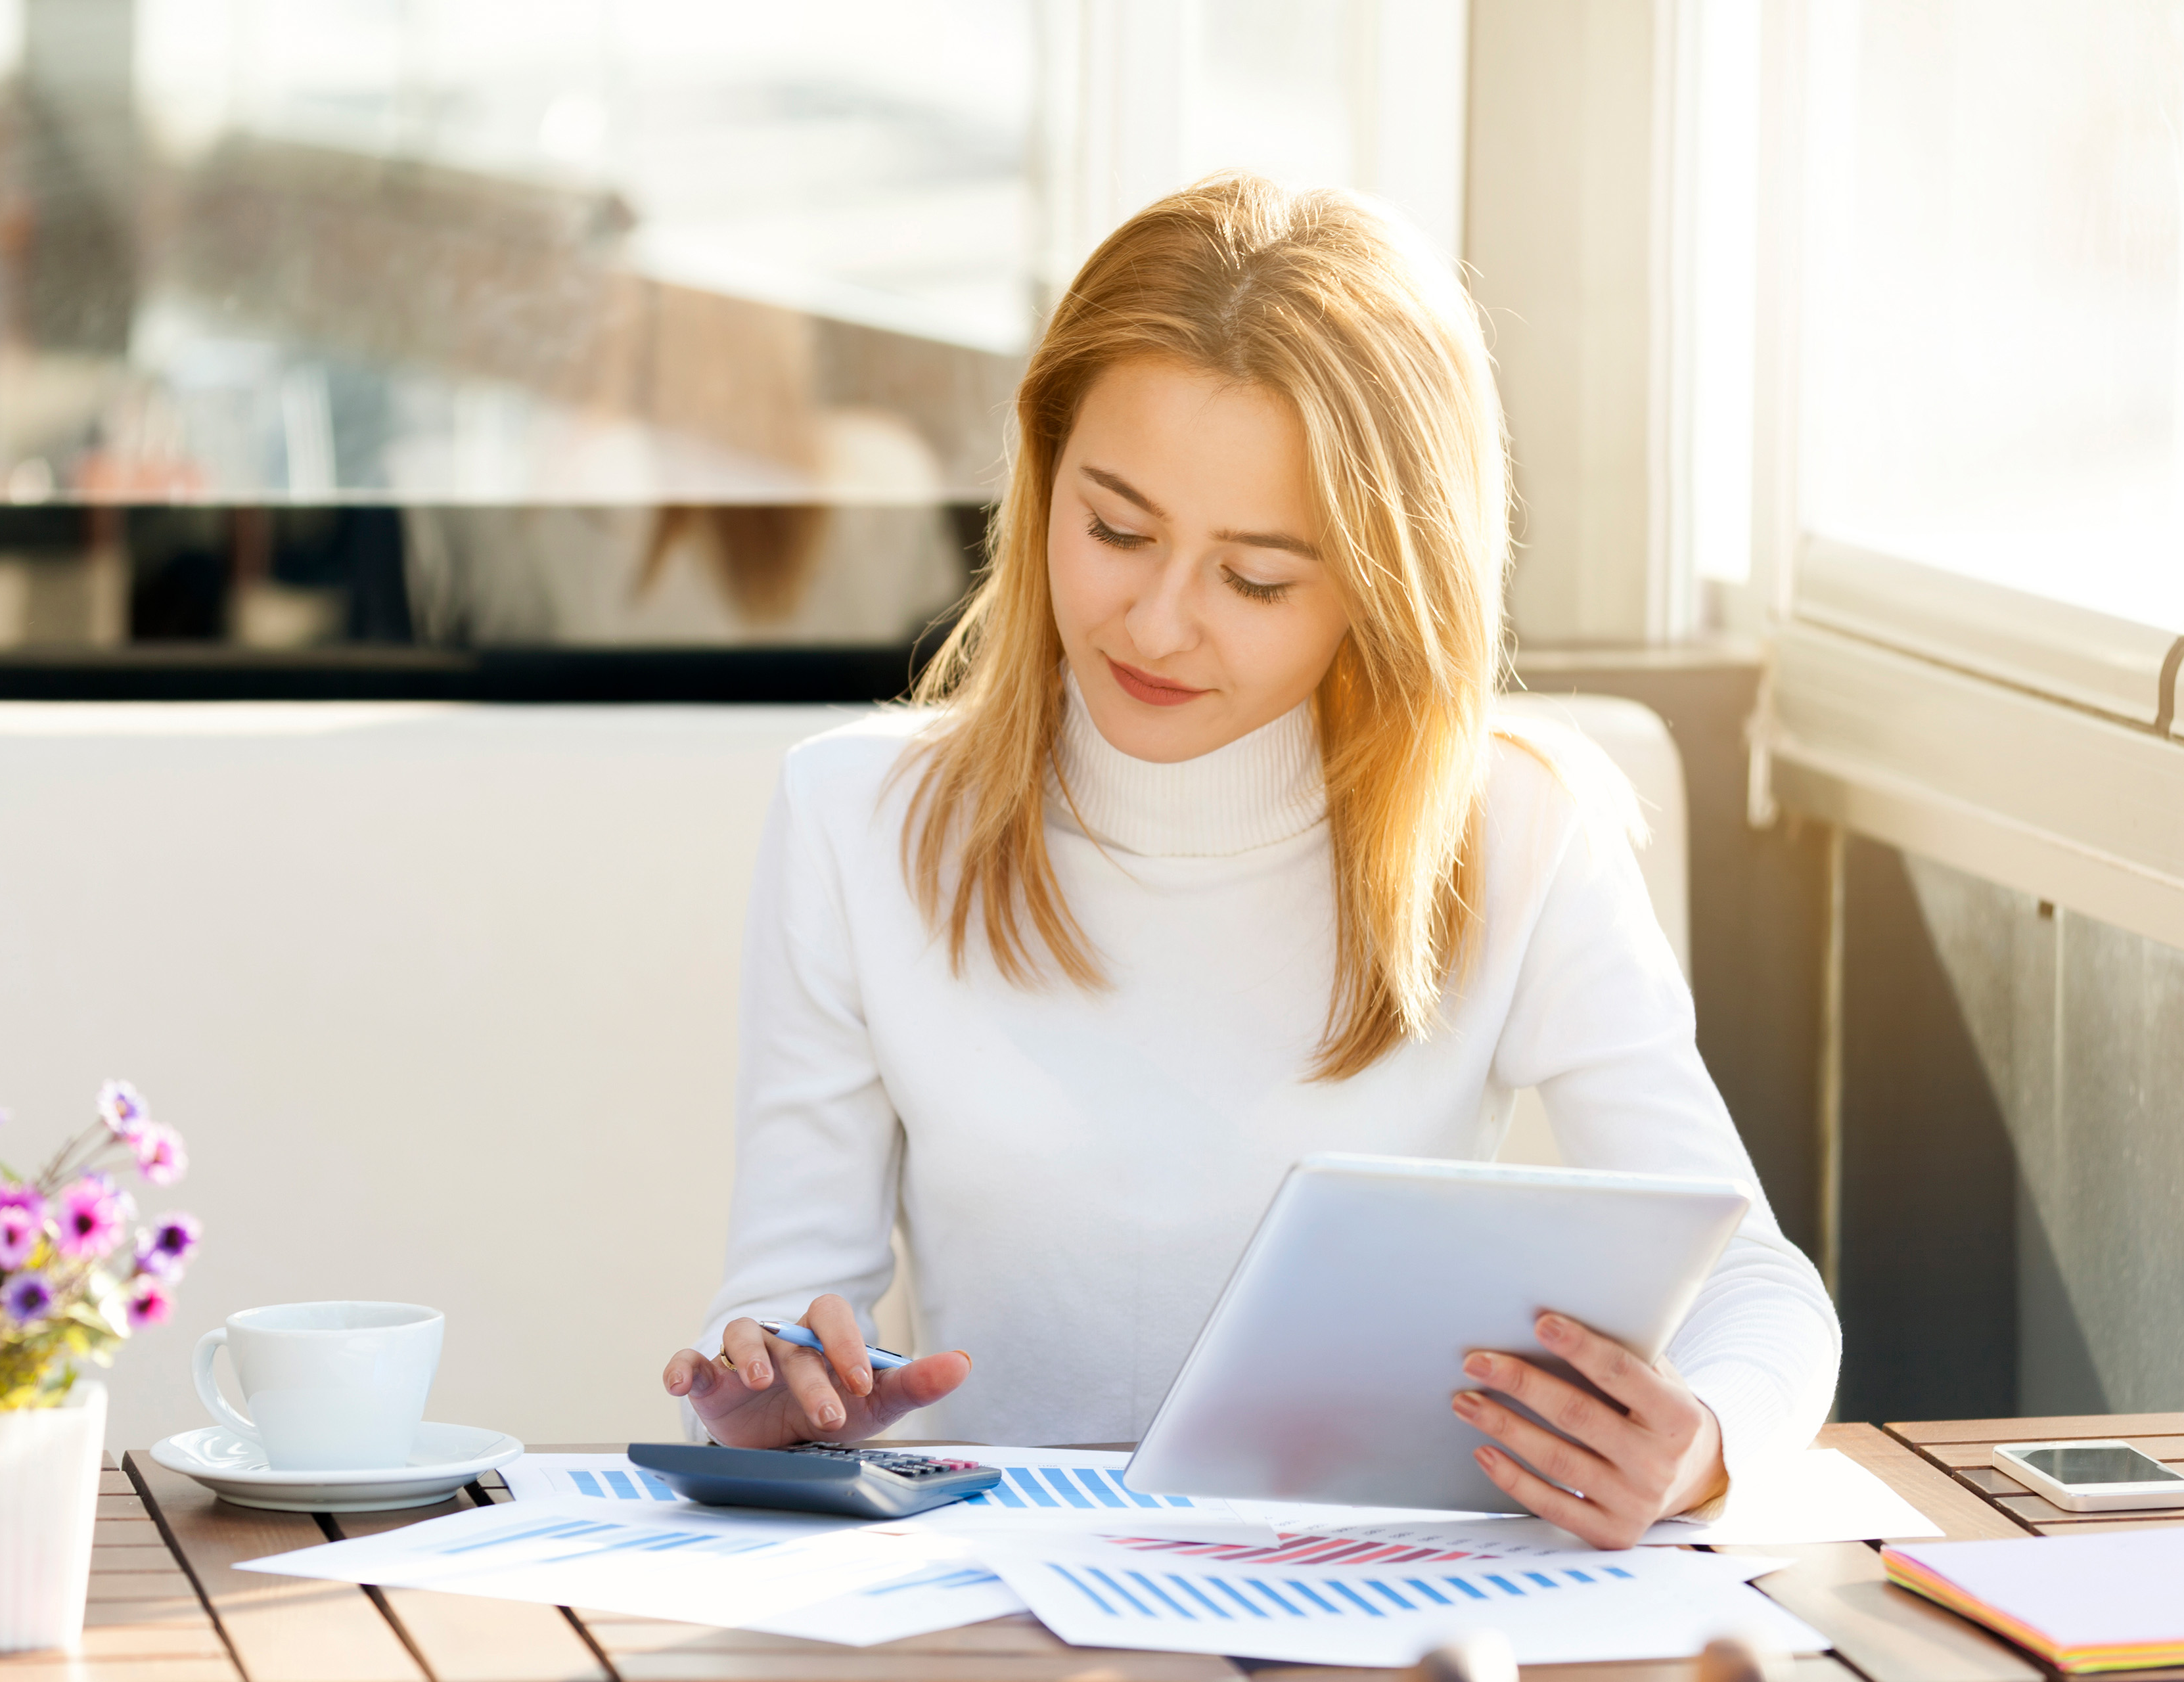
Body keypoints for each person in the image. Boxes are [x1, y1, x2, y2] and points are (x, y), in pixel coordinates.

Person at [659, 174, 1839, 1549]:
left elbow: (1758, 1289)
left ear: (1388, 584)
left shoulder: (1518, 828)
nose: (1156, 623)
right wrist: (772, 1403)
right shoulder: (853, 817)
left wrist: (1699, 1441)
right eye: (1114, 527)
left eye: (1259, 579)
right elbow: (790, 1310)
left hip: (1380, 1598)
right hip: (1001, 1604)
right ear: (1044, 475)